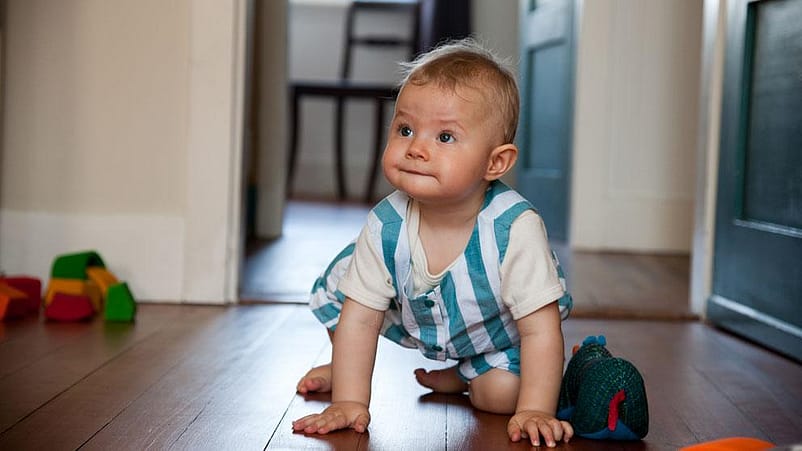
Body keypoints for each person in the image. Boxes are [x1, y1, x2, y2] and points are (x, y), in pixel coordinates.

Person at [291, 38, 574, 448]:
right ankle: (344, 367)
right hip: (412, 316)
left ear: (495, 162)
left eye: (444, 137)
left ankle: (466, 375)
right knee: (346, 286)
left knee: (501, 397)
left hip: (495, 331)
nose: (416, 148)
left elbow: (540, 331)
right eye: (405, 129)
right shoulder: (386, 224)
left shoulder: (514, 229)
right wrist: (349, 402)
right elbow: (361, 318)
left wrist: (536, 409)